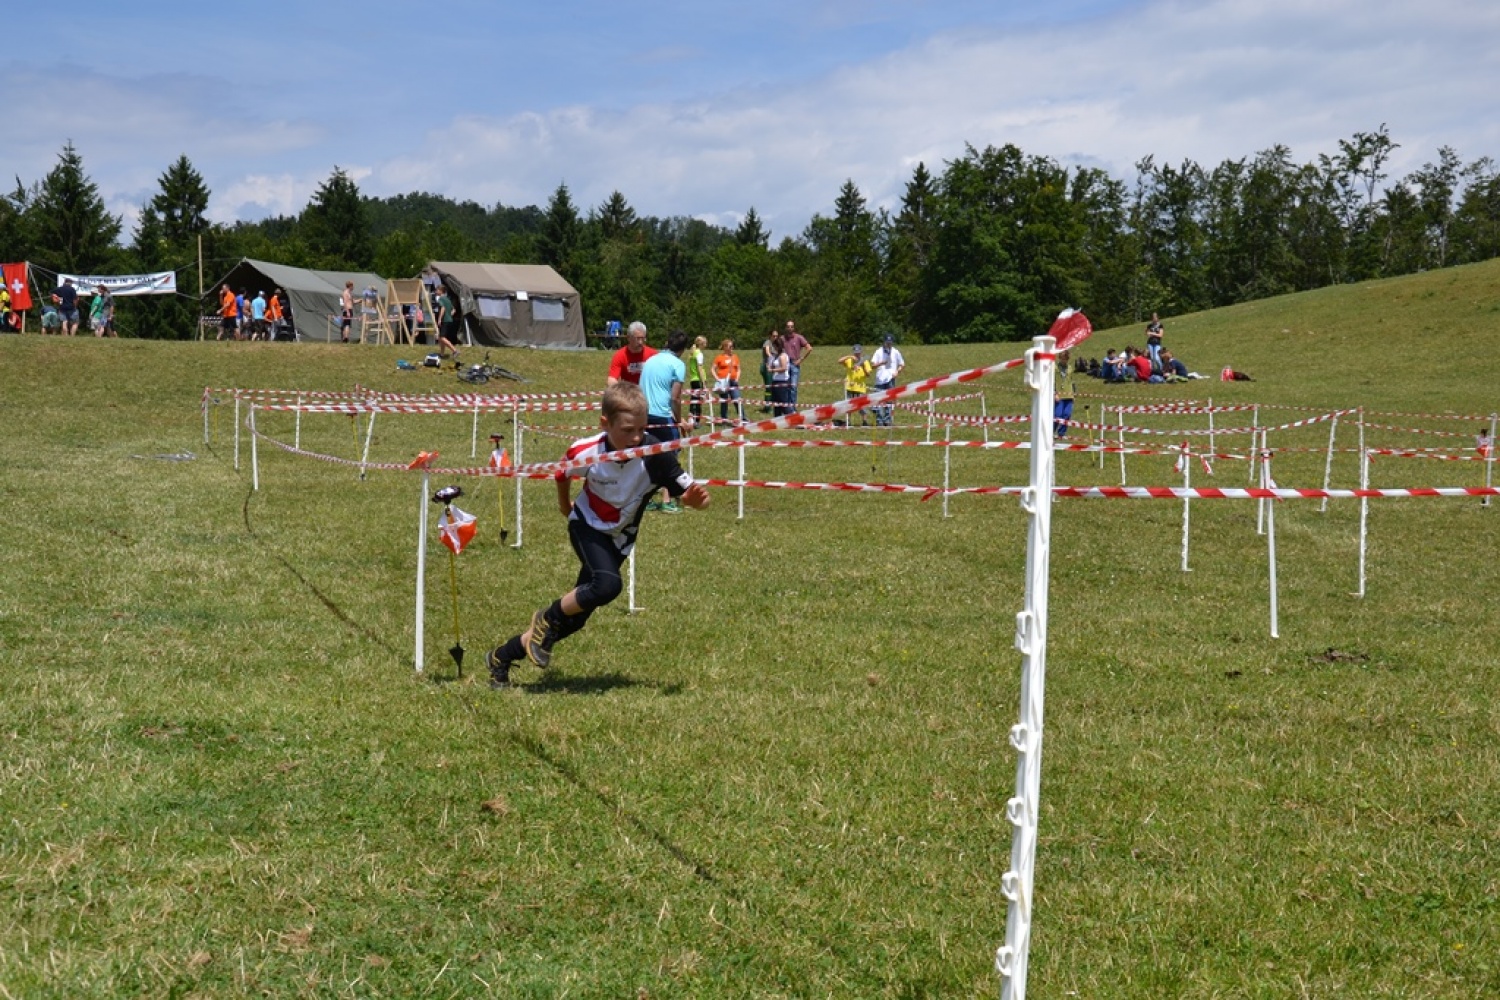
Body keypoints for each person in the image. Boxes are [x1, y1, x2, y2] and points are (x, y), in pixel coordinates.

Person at [484, 382, 710, 688]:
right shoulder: (586, 450)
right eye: (628, 430)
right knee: (606, 585)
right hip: (585, 525)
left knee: (576, 618)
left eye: (642, 429)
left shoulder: (655, 453)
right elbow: (562, 472)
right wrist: (565, 506)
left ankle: (501, 657)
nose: (636, 438)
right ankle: (546, 618)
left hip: (620, 538)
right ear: (605, 423)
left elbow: (689, 491)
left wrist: (695, 501)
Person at [638, 329, 691, 512]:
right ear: (683, 349)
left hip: (643, 413)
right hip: (662, 415)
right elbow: (675, 398)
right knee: (669, 457)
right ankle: (667, 501)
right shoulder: (677, 364)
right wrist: (679, 420)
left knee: (647, 456)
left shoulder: (650, 360)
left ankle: (646, 499)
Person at [869, 334, 905, 427]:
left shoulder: (896, 352)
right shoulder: (878, 352)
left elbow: (902, 364)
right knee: (879, 400)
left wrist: (897, 371)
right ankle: (879, 420)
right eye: (887, 342)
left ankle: (887, 420)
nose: (888, 344)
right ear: (884, 342)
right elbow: (872, 365)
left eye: (890, 343)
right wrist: (881, 363)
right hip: (880, 380)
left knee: (890, 400)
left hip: (891, 379)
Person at [607, 321, 656, 386]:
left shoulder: (653, 355)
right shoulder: (620, 355)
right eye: (637, 339)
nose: (640, 342)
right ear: (628, 338)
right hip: (629, 393)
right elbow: (612, 379)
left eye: (643, 338)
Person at [836, 344, 873, 427]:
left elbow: (868, 374)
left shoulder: (865, 361)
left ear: (861, 352)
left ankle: (864, 421)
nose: (857, 354)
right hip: (849, 386)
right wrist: (849, 356)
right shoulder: (849, 360)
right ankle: (848, 421)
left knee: (861, 405)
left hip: (860, 387)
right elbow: (839, 361)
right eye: (855, 353)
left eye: (858, 353)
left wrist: (863, 367)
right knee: (848, 404)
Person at [712, 338, 742, 424]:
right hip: (723, 382)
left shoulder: (735, 357)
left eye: (733, 347)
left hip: (733, 381)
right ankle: (724, 419)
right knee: (724, 401)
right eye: (730, 346)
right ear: (725, 347)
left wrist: (737, 378)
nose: (732, 348)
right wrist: (717, 378)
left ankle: (743, 418)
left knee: (737, 399)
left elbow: (739, 369)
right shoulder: (719, 357)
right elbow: (713, 369)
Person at [782, 320, 812, 404]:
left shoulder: (799, 337)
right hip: (785, 364)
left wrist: (801, 359)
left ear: (794, 328)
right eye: (788, 326)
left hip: (795, 364)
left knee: (793, 387)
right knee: (786, 387)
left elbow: (809, 348)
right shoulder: (782, 338)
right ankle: (786, 407)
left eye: (791, 326)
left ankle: (792, 406)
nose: (790, 328)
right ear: (786, 328)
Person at [684, 335, 710, 425]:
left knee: (693, 399)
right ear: (702, 344)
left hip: (693, 379)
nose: (706, 344)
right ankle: (697, 420)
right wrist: (704, 382)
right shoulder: (699, 354)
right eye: (705, 343)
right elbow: (700, 368)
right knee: (698, 401)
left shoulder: (692, 353)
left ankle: (691, 417)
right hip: (698, 379)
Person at [767, 334, 792, 417]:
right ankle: (777, 419)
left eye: (774, 346)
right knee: (776, 403)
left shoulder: (783, 356)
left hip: (782, 381)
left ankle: (792, 419)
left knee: (783, 403)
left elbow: (784, 368)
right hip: (775, 380)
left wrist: (772, 370)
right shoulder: (776, 356)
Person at [1054, 350, 1076, 436]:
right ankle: (1051, 431)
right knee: (1057, 415)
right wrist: (1054, 393)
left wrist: (1073, 394)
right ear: (1059, 358)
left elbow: (1071, 381)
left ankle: (1061, 433)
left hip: (1069, 394)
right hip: (1059, 395)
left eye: (1066, 359)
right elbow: (1052, 381)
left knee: (1067, 414)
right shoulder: (1054, 367)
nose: (1064, 361)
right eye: (1062, 359)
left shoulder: (1070, 368)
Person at [434, 284, 459, 358]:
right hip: (449, 320)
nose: (436, 291)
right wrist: (450, 315)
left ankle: (455, 350)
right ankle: (442, 354)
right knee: (442, 337)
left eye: (437, 290)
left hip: (444, 320)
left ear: (441, 291)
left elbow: (443, 308)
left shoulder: (441, 299)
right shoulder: (447, 299)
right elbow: (454, 310)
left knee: (442, 337)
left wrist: (439, 319)